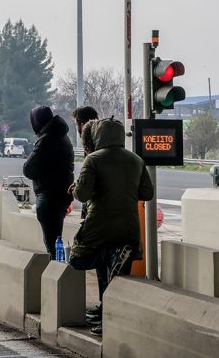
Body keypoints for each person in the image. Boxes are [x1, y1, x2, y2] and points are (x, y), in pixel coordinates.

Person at [68, 118, 154, 335]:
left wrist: (76, 188)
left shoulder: (93, 160)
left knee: (81, 259)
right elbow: (147, 193)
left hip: (99, 225)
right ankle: (112, 318)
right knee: (118, 278)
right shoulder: (136, 160)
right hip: (128, 226)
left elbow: (83, 194)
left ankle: (105, 317)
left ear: (98, 135)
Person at [23, 106, 75, 253]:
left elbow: (28, 169)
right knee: (56, 237)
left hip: (49, 195)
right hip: (62, 194)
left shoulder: (46, 140)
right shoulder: (62, 136)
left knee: (52, 242)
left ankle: (55, 270)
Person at [71, 106, 99, 219]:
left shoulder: (91, 146)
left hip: (95, 209)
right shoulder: (104, 140)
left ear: (82, 124)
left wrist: (78, 187)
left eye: (76, 124)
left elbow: (82, 194)